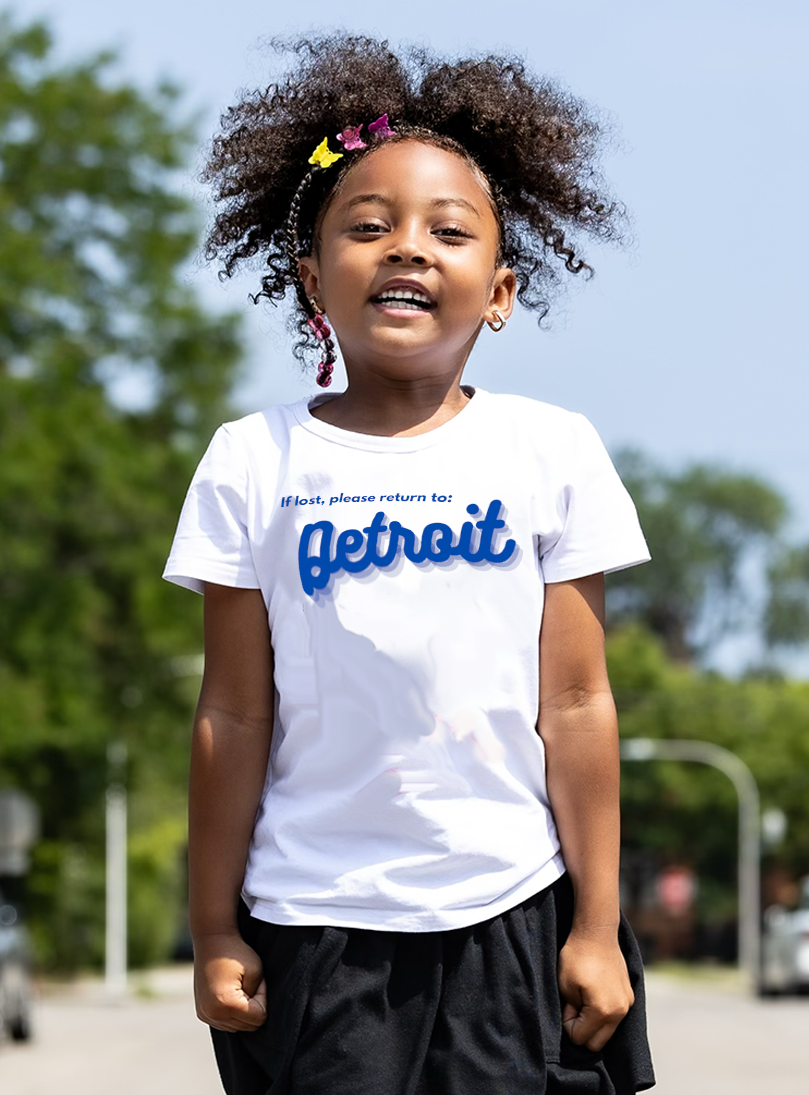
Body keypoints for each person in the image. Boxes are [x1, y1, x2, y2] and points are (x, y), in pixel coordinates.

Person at [163, 33, 656, 1095]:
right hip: (313, 928)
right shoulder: (252, 460)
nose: (407, 249)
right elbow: (233, 715)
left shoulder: (551, 450)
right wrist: (211, 927)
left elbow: (573, 704)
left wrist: (599, 927)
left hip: (512, 918)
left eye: (447, 231)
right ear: (310, 279)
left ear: (500, 291)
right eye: (369, 227)